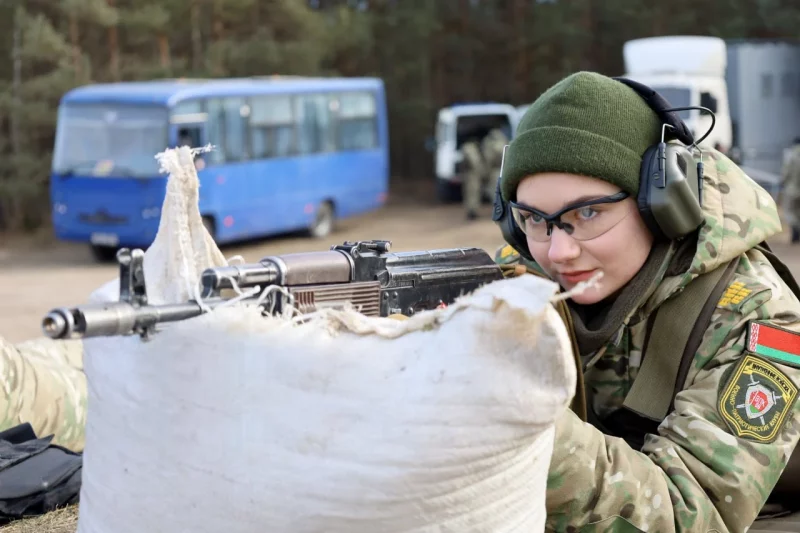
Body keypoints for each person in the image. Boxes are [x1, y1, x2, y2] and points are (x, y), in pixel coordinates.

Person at [492, 71, 800, 532]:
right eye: (534, 219)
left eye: (588, 212)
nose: (558, 252)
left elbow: (689, 516)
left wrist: (522, 426)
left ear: (662, 205)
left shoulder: (759, 319)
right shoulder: (525, 278)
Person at [461, 134, 488, 220]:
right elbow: (475, 162)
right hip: (473, 174)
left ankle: (471, 211)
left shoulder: (466, 148)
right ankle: (472, 211)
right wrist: (482, 172)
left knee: (470, 192)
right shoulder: (470, 148)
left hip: (469, 174)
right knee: (473, 192)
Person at [780, 137, 800, 244]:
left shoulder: (791, 155)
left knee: (790, 211)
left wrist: (782, 181)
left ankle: (795, 230)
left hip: (792, 189)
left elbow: (786, 172)